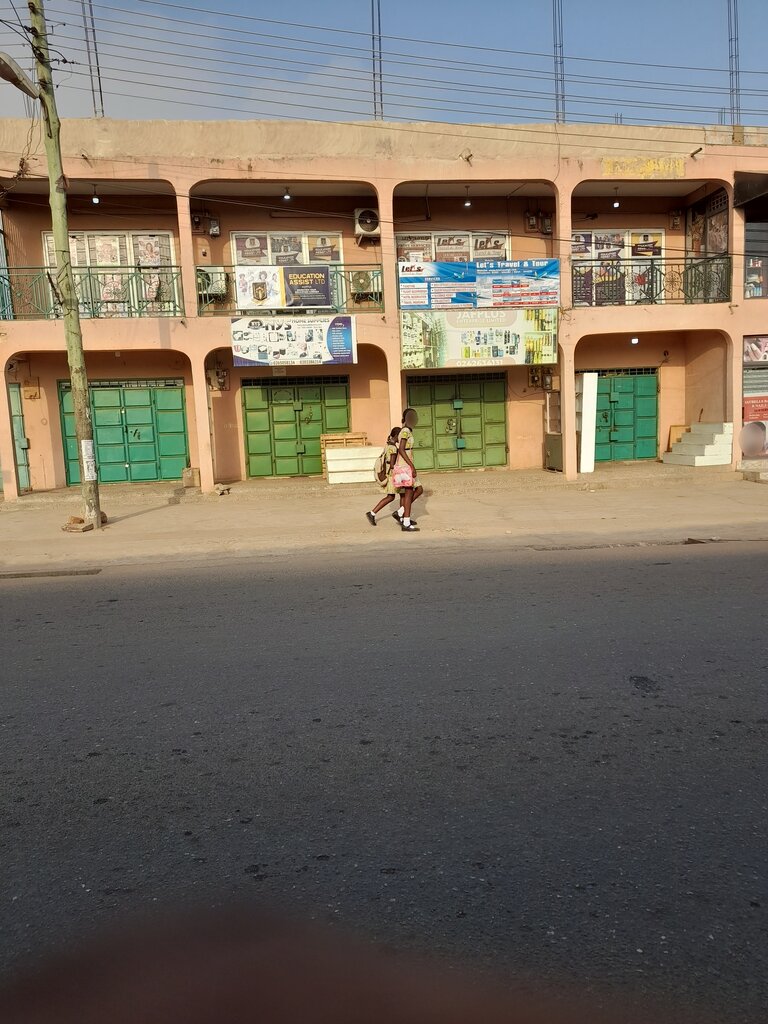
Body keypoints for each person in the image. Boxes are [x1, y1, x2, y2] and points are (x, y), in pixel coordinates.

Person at [395, 408, 423, 532]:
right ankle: (405, 522)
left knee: (418, 489)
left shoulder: (408, 431)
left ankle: (400, 512)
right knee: (409, 492)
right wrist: (411, 466)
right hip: (405, 465)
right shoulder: (405, 431)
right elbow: (401, 449)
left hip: (406, 464)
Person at [366, 428, 401, 526]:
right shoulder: (393, 448)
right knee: (393, 496)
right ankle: (372, 513)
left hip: (388, 474)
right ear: (396, 436)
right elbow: (392, 465)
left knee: (392, 496)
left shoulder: (388, 445)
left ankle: (372, 513)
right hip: (392, 475)